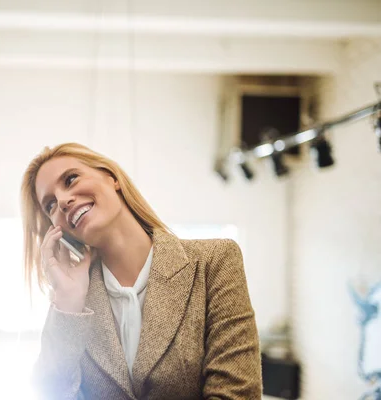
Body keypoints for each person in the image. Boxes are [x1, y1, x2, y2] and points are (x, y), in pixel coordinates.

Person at [20, 142, 262, 399]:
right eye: (50, 205)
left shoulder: (214, 261)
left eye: (70, 179)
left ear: (111, 177)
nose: (63, 201)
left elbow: (238, 393)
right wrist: (68, 303)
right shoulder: (71, 304)